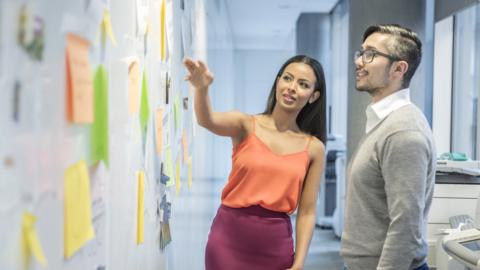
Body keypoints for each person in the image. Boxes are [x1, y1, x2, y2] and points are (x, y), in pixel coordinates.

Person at [183, 55, 326, 270]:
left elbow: (307, 212)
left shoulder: (314, 148)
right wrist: (201, 89)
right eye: (287, 78)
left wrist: (299, 264)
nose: (292, 87)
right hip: (228, 240)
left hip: (275, 245)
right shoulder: (245, 125)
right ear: (278, 82)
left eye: (303, 84)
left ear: (313, 96)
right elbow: (207, 120)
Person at [340, 24, 436, 270]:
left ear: (399, 68)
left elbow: (406, 225)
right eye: (360, 53)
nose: (360, 62)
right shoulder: (384, 122)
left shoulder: (403, 131)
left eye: (370, 54)